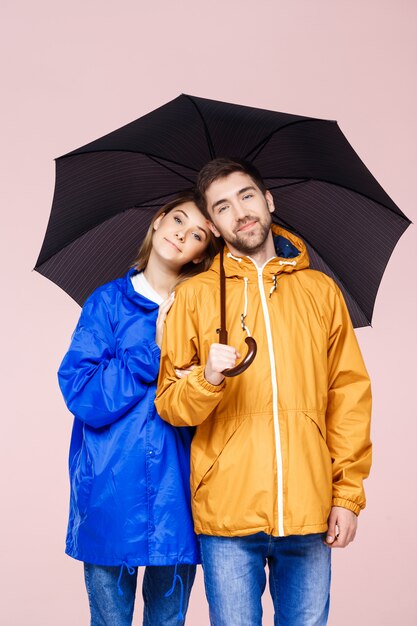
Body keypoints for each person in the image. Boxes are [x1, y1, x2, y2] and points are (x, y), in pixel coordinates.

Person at [155, 158, 372, 626]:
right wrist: (206, 379)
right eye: (223, 207)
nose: (240, 212)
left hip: (310, 509)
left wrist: (346, 495)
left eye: (247, 196)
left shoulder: (320, 292)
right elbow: (171, 404)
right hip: (227, 512)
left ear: (268, 200)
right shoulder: (193, 297)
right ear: (213, 225)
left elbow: (348, 395)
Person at [58, 190, 217, 626]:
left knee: (168, 621)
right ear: (158, 220)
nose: (182, 235)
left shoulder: (205, 312)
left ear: (205, 251)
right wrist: (154, 348)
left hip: (177, 498)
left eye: (198, 234)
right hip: (110, 492)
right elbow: (82, 393)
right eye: (178, 220)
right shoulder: (107, 303)